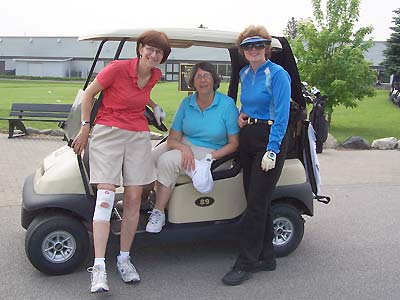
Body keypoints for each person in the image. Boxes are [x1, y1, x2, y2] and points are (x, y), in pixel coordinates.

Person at [71, 30, 171, 293]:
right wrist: (85, 127)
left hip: (138, 135)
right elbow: (88, 94)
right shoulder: (117, 69)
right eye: (150, 49)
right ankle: (99, 267)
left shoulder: (154, 75)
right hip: (108, 132)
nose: (153, 55)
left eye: (159, 52)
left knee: (134, 198)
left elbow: (141, 94)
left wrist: (154, 105)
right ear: (140, 48)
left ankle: (124, 258)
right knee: (105, 197)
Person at [221, 25, 291, 286]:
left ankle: (246, 262)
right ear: (242, 50)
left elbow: (281, 116)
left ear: (266, 48)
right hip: (248, 136)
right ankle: (267, 256)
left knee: (256, 203)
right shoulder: (243, 73)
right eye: (248, 46)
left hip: (270, 138)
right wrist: (241, 113)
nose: (253, 50)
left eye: (259, 45)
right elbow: (249, 104)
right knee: (255, 198)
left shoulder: (278, 74)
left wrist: (272, 150)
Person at [145, 61, 240, 233]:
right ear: (193, 81)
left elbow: (234, 144)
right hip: (186, 146)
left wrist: (210, 158)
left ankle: (158, 212)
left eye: (206, 76)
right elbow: (172, 139)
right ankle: (145, 200)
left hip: (214, 152)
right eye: (198, 77)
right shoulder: (187, 103)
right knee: (149, 159)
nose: (202, 80)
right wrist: (184, 149)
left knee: (167, 161)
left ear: (214, 79)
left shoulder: (226, 105)